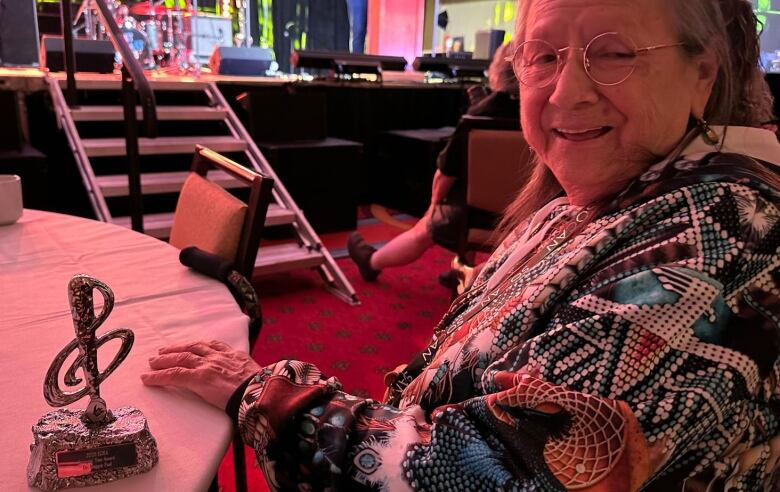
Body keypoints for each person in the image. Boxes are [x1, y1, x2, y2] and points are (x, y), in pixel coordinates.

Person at [141, 0, 780, 489]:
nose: (566, 92)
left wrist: (263, 394)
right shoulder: (597, 201)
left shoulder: (720, 245)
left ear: (703, 72)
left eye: (613, 54)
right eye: (544, 56)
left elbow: (497, 473)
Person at [347, 42, 521, 282]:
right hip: (527, 218)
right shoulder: (543, 117)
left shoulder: (477, 117)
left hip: (470, 219)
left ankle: (371, 262)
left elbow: (444, 175)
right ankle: (462, 269)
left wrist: (433, 207)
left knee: (431, 221)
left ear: (497, 69)